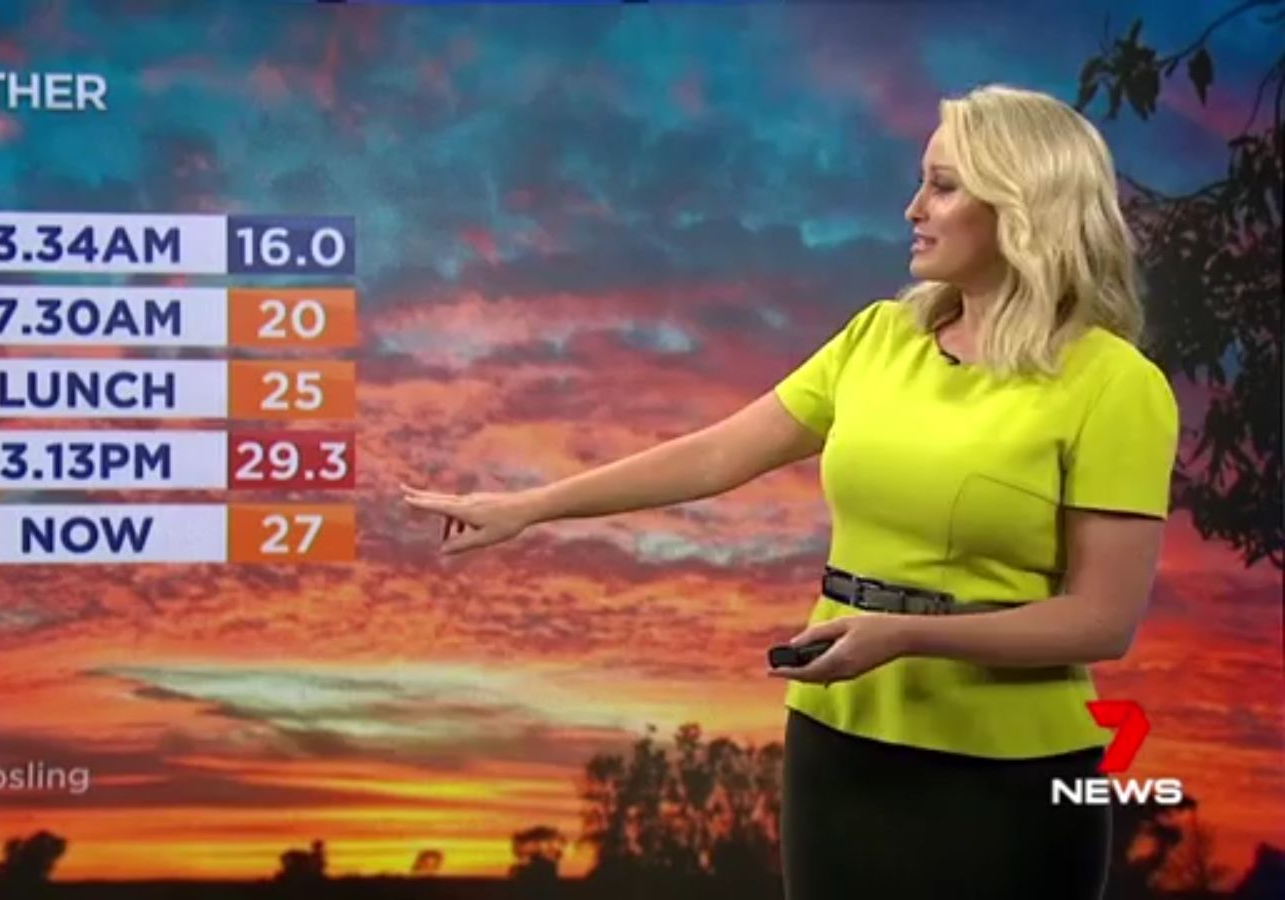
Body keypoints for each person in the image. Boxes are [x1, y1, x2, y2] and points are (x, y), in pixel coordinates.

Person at [399, 83, 1179, 900]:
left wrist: (904, 637)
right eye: (921, 181)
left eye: (943, 186)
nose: (913, 208)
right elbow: (715, 455)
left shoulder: (1114, 384)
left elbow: (1101, 620)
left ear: (1022, 205)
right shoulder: (878, 339)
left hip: (1012, 774)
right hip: (835, 742)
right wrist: (526, 508)